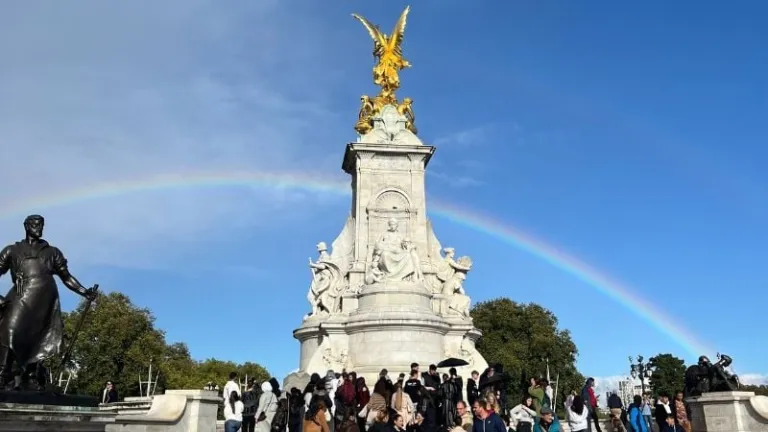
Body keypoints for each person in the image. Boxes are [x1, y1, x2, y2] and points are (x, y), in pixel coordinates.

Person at [0, 215, 98, 390]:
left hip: (44, 299)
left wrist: (84, 292)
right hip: (20, 296)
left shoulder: (52, 252)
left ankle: (31, 377)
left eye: (41, 225)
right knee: (9, 331)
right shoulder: (11, 250)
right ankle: (3, 374)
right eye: (35, 224)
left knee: (38, 338)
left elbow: (66, 277)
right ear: (26, 226)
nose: (39, 227)